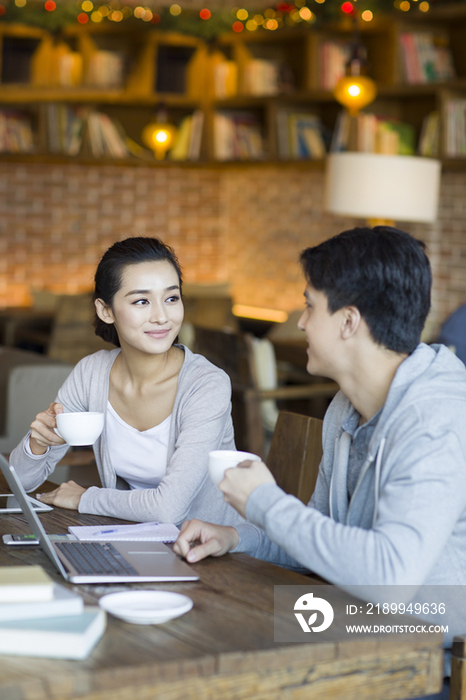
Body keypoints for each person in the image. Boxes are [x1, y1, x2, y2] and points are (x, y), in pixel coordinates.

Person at [174, 226, 466, 700]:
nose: (302, 322)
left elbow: (388, 580)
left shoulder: (437, 418)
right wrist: (235, 535)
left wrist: (266, 502)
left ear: (349, 322)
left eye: (310, 306)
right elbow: (320, 534)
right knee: (201, 637)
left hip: (429, 658)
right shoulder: (345, 408)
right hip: (357, 625)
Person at [10, 237, 243, 528]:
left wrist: (85, 498)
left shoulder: (206, 385)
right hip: (141, 539)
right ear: (105, 311)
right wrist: (38, 444)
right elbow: (20, 484)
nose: (162, 316)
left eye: (171, 298)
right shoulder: (91, 373)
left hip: (218, 553)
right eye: (141, 301)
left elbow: (168, 509)